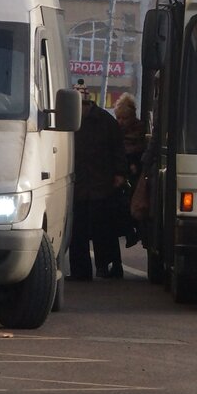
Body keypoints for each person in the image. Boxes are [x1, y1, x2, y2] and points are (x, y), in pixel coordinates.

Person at [69, 85, 127, 280]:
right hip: (79, 186)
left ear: (87, 104)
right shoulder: (70, 120)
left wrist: (119, 173)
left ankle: (108, 266)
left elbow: (118, 148)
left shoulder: (105, 121)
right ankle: (81, 271)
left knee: (104, 229)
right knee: (78, 232)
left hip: (101, 186)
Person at [113, 93, 144, 248]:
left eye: (124, 118)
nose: (121, 122)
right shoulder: (116, 133)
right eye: (118, 118)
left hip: (136, 175)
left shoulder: (139, 131)